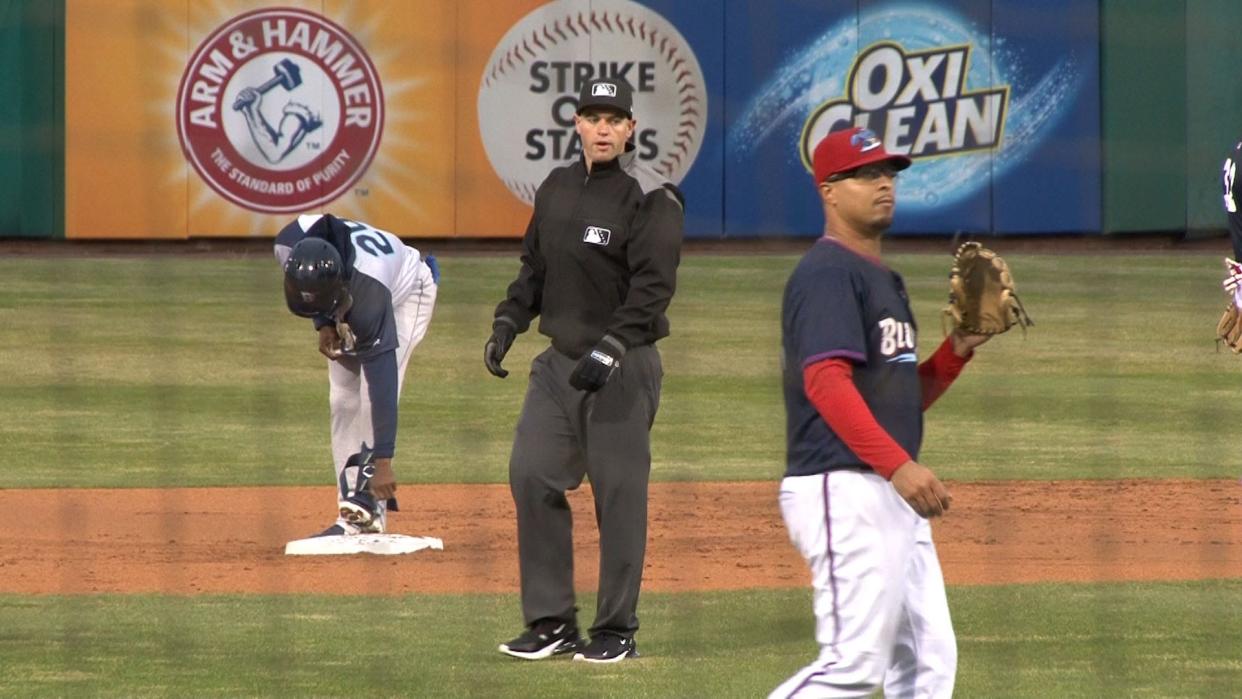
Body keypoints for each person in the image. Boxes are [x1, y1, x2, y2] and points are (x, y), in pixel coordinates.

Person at [770, 127, 990, 698]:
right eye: (866, 174)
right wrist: (899, 467)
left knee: (927, 661)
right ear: (829, 190)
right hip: (841, 486)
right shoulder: (827, 273)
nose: (883, 184)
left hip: (885, 488)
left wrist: (956, 351)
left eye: (888, 173)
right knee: (853, 665)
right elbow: (825, 382)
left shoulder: (883, 278)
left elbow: (894, 397)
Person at [485, 77, 684, 664]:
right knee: (531, 474)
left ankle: (616, 629)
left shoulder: (650, 199)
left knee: (618, 497)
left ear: (629, 131)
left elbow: (653, 288)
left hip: (623, 367)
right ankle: (551, 622)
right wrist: (508, 321)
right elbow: (534, 268)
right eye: (591, 117)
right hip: (558, 366)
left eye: (613, 119)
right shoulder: (554, 188)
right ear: (575, 124)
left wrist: (615, 344)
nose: (602, 128)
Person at [275, 213, 438, 537]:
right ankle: (350, 518)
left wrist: (384, 462)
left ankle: (369, 509)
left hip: (407, 293)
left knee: (367, 396)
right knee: (342, 400)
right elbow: (314, 291)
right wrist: (323, 324)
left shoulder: (368, 294)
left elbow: (383, 386)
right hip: (348, 287)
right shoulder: (287, 247)